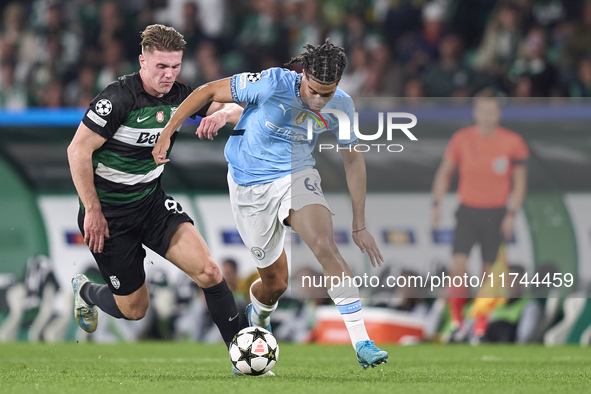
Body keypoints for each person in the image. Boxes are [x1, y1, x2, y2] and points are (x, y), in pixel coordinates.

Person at [153, 40, 389, 370]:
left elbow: (353, 159)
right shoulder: (272, 82)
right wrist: (168, 131)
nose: (319, 101)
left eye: (328, 93)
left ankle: (361, 340)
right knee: (275, 284)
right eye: (314, 91)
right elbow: (207, 91)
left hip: (297, 175)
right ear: (302, 74)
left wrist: (359, 223)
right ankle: (258, 319)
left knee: (325, 245)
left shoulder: (342, 105)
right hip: (248, 185)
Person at [67, 25, 244, 351]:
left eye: (175, 66)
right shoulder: (118, 98)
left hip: (151, 205)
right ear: (142, 62)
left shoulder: (181, 96)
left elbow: (235, 109)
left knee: (209, 271)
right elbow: (77, 151)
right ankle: (85, 291)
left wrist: (223, 116)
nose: (168, 74)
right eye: (161, 67)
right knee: (134, 310)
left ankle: (244, 355)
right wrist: (92, 210)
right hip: (110, 217)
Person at [431, 95, 529, 339]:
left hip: (495, 213)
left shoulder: (512, 142)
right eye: (482, 110)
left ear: (499, 114)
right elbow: (445, 171)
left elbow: (520, 182)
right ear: (475, 113)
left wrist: (511, 213)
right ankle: (456, 321)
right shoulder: (462, 139)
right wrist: (436, 202)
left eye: (491, 111)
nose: (487, 115)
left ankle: (480, 324)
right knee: (458, 266)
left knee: (489, 272)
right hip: (467, 210)